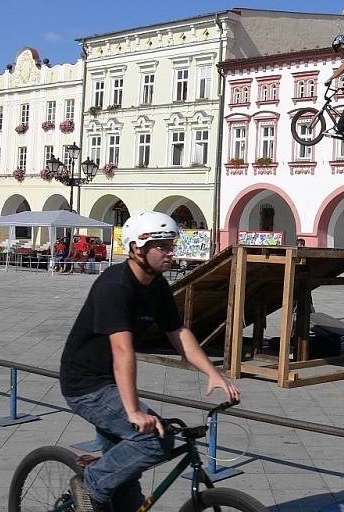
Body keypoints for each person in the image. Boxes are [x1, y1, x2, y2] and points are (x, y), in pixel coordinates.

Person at [60, 211, 240, 511]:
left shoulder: (156, 286)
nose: (172, 253)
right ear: (137, 248)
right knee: (154, 439)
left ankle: (102, 487)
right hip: (86, 385)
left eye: (172, 245)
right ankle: (89, 484)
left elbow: (178, 332)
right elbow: (121, 350)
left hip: (112, 384)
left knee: (125, 477)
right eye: (164, 246)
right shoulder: (115, 286)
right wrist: (133, 411)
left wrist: (213, 373)